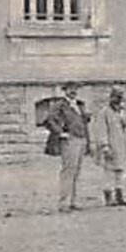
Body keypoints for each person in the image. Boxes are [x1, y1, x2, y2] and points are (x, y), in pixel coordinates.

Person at [41, 82, 92, 212]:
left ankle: (73, 202)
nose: (73, 91)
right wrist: (61, 133)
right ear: (65, 91)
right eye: (70, 89)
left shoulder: (79, 105)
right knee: (68, 171)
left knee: (76, 172)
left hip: (81, 139)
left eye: (75, 89)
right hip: (69, 141)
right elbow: (49, 120)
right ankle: (63, 203)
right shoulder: (59, 105)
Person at [96, 86, 126, 207]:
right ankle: (108, 197)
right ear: (111, 98)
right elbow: (102, 130)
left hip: (121, 146)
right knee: (109, 172)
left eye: (120, 98)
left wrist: (125, 124)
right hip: (110, 145)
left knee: (120, 171)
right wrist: (105, 146)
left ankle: (120, 196)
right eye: (116, 97)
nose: (118, 100)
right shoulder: (104, 112)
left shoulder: (121, 112)